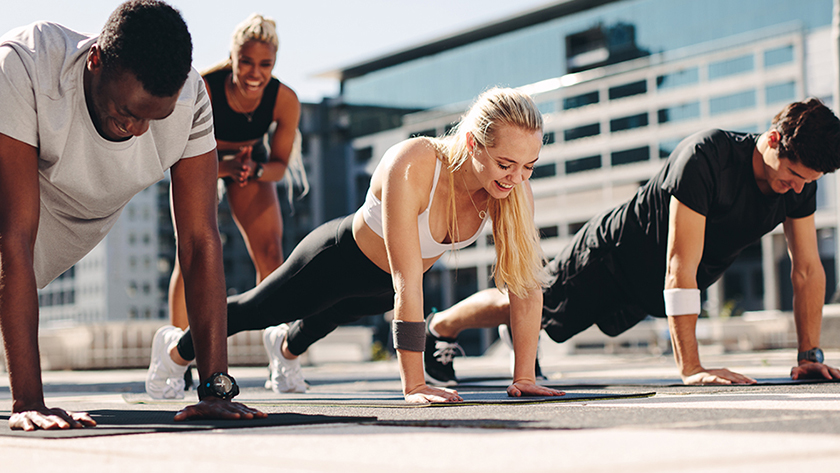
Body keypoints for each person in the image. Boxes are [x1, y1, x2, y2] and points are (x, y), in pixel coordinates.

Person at [146, 87, 565, 402]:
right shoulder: (415, 163)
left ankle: (284, 348)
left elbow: (525, 286)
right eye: (505, 164)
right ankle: (174, 351)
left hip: (382, 291)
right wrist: (414, 384)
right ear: (473, 142)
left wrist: (524, 377)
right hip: (337, 260)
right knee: (259, 309)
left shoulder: (512, 192)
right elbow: (408, 279)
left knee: (325, 321)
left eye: (528, 166)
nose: (515, 178)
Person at [424, 98, 840, 386]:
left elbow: (805, 268)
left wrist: (810, 356)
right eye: (792, 174)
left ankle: (517, 332)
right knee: (537, 303)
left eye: (807, 182)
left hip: (655, 286)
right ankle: (441, 327)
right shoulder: (707, 156)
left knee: (542, 318)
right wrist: (691, 367)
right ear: (771, 141)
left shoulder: (798, 187)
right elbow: (680, 262)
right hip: (612, 257)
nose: (795, 188)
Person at [0, 0, 264, 431]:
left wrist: (216, 389)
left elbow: (200, 241)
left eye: (152, 117)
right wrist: (29, 400)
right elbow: (13, 235)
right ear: (96, 60)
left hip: (37, 253)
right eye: (127, 112)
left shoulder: (190, 99)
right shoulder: (27, 66)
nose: (139, 130)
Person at [166, 13, 306, 391]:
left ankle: (281, 357)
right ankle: (176, 359)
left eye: (265, 64)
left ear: (274, 63)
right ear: (232, 57)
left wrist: (252, 171)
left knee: (272, 253)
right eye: (245, 61)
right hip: (199, 160)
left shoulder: (284, 100)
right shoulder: (204, 89)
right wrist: (225, 164)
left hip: (249, 165)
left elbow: (278, 166)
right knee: (191, 254)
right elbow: (176, 153)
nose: (254, 72)